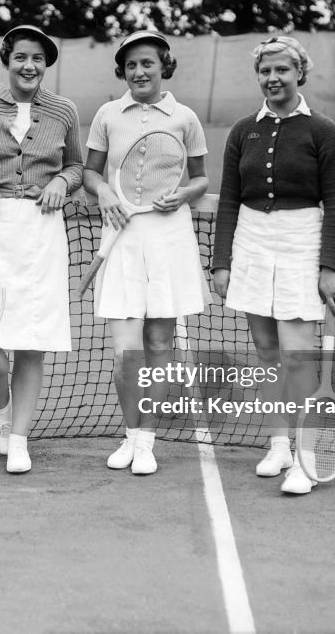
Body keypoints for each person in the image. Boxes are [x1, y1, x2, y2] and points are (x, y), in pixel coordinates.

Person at [210, 36, 335, 495]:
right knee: (267, 356)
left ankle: (305, 460)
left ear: (299, 74)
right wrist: (221, 262)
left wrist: (329, 266)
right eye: (265, 71)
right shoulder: (242, 130)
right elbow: (229, 200)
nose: (273, 79)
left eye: (282, 71)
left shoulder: (324, 132)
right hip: (251, 243)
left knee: (296, 356)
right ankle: (278, 445)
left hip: (301, 244)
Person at [82, 31, 211, 475]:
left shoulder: (185, 118)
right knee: (125, 353)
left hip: (168, 238)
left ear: (163, 66)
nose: (139, 72)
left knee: (158, 343)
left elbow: (200, 179)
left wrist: (183, 195)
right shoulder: (107, 114)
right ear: (123, 69)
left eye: (148, 64)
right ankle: (131, 432)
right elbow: (90, 173)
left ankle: (145, 441)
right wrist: (102, 194)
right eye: (131, 65)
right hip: (120, 237)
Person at [0, 24, 83, 474]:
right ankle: (4, 411)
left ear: (46, 64)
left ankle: (20, 438)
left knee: (32, 341)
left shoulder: (64, 110)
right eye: (21, 58)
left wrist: (60, 184)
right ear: (7, 60)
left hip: (42, 231)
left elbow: (77, 168)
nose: (29, 66)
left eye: (38, 59)